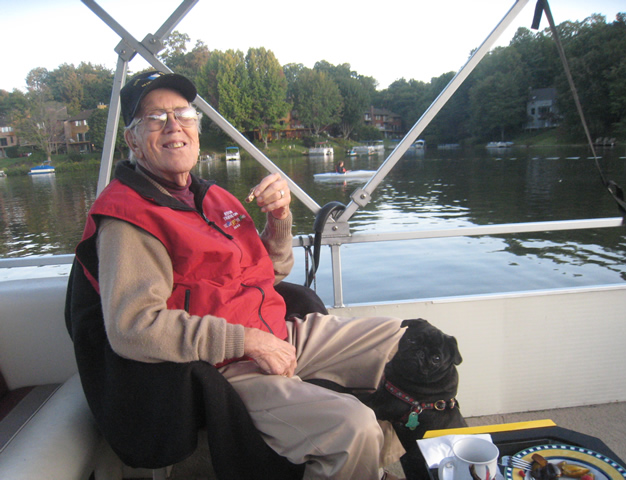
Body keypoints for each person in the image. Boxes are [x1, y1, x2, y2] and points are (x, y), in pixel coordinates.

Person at [66, 71, 406, 480]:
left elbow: (271, 271)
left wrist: (279, 219)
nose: (174, 126)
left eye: (183, 114)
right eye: (155, 118)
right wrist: (249, 341)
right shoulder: (129, 220)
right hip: (226, 365)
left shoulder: (211, 197)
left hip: (278, 330)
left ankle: (380, 466)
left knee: (409, 343)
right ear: (133, 140)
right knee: (352, 427)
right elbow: (133, 328)